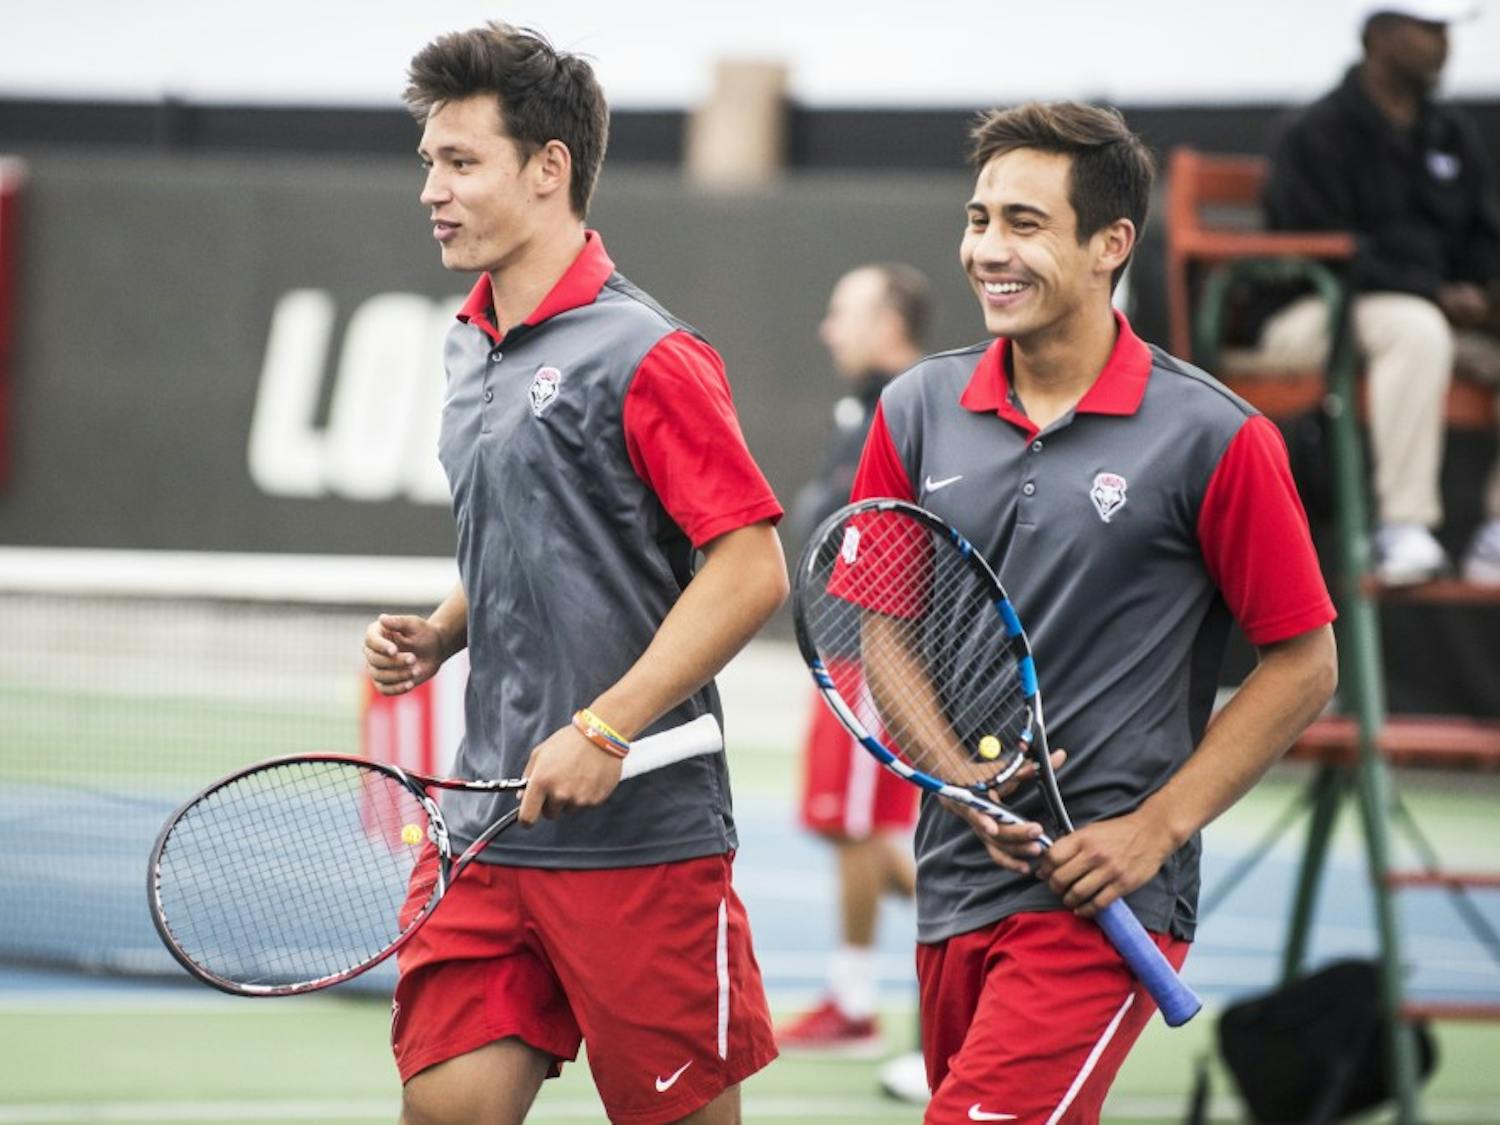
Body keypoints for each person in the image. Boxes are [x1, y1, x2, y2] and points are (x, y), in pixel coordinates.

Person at [845, 100, 1340, 1124]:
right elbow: (884, 626)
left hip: (1106, 898)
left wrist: (1154, 830)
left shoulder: (1216, 436)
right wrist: (958, 776)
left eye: (1024, 223)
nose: (988, 249)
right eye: (981, 219)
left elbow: (1304, 664)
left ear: (1112, 243)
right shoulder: (915, 411)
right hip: (953, 884)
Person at [362, 23, 787, 1125]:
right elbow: (544, 530)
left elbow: (748, 570)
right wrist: (446, 628)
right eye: (428, 162)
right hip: (484, 828)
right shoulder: (470, 340)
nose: (431, 190)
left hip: (640, 842)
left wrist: (606, 729)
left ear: (549, 170)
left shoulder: (649, 354)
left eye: (460, 161)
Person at [1257, 0, 1500, 585]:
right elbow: (1318, 246)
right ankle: (1402, 528)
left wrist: (1487, 295)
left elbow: (1480, 237)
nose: (1442, 44)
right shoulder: (1315, 131)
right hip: (1311, 313)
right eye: (1427, 29)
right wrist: (1434, 292)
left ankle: (1494, 537)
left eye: (1446, 31)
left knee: (1430, 324)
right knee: (1414, 324)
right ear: (1379, 35)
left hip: (1429, 316)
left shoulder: (1451, 134)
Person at [777, 266, 928, 1089]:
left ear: (892, 321)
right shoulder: (863, 406)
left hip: (878, 656)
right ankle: (862, 993)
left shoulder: (908, 407)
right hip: (838, 650)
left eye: (846, 313)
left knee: (872, 830)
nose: (830, 330)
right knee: (848, 827)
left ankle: (858, 998)